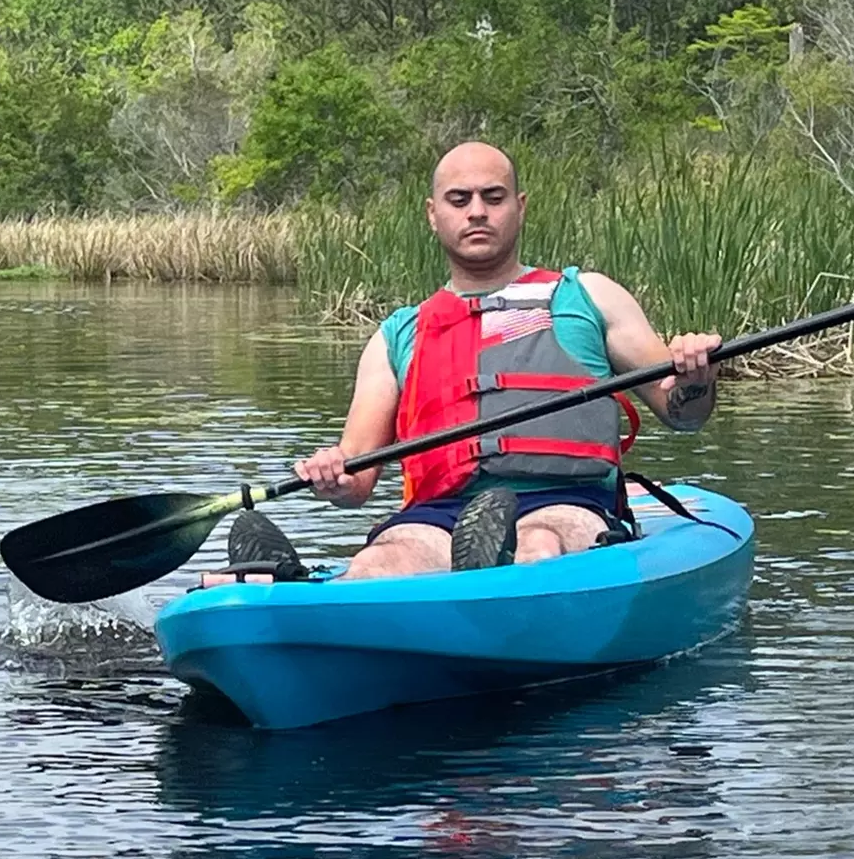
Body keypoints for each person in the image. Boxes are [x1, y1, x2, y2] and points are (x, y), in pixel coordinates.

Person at [221, 141, 723, 581]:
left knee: (539, 547)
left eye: (493, 197)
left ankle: (490, 568)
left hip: (567, 501)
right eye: (459, 200)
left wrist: (696, 377)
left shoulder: (589, 297)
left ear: (520, 208)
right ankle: (294, 593)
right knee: (377, 567)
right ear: (433, 214)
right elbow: (358, 483)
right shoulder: (399, 334)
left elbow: (683, 414)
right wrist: (333, 475)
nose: (477, 211)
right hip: (440, 513)